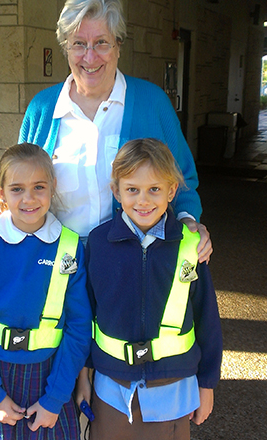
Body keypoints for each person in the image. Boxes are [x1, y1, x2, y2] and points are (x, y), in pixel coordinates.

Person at [0, 0, 212, 263]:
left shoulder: (152, 104)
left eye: (101, 43)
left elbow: (183, 179)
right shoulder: (42, 109)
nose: (90, 57)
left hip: (133, 262)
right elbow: (17, 177)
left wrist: (189, 221)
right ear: (66, 48)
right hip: (56, 262)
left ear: (118, 46)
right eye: (79, 44)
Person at [77, 138, 222, 440]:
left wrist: (207, 384)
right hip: (110, 387)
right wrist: (83, 378)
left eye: (154, 189)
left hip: (174, 388)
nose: (143, 200)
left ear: (171, 191)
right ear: (116, 191)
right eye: (132, 190)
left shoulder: (190, 247)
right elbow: (84, 315)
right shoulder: (98, 244)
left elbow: (207, 318)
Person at [0, 143, 92, 440]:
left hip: (50, 378)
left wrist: (55, 398)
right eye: (17, 189)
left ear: (52, 187)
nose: (29, 199)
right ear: (0, 193)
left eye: (39, 187)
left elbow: (79, 329)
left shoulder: (69, 247)